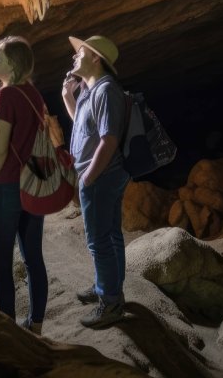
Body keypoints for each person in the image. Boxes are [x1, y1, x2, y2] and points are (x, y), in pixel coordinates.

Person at [62, 35, 129, 329]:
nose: (75, 56)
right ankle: (109, 286)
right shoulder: (91, 91)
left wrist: (89, 177)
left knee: (99, 239)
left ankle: (110, 302)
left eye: (81, 52)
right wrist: (68, 98)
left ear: (96, 58)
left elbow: (109, 139)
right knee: (110, 233)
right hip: (101, 174)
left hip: (102, 175)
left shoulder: (105, 91)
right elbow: (84, 126)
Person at [0, 36, 48, 335]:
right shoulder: (33, 95)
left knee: (2, 261)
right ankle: (35, 325)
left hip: (8, 185)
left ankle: (7, 330)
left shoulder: (7, 95)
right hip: (33, 184)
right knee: (33, 256)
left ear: (11, 65)